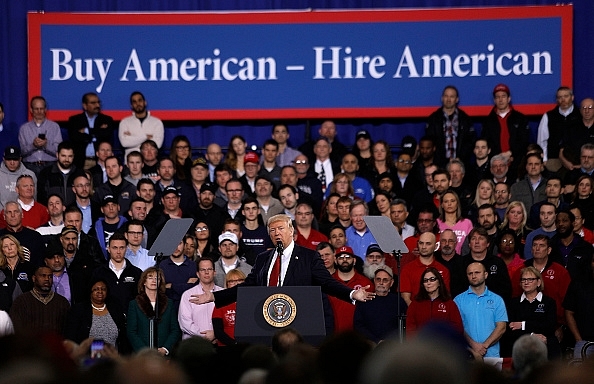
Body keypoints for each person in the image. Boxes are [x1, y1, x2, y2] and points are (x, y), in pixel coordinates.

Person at [191, 214, 374, 307]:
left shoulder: (308, 257)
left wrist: (351, 294)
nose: (276, 233)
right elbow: (247, 287)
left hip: (298, 320)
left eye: (280, 229)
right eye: (272, 230)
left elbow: (327, 283)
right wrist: (214, 296)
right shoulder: (263, 258)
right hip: (267, 318)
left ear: (291, 231)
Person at [454, 262, 508, 359]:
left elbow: (501, 327)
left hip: (492, 355)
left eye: (477, 272)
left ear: (486, 274)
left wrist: (484, 346)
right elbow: (458, 327)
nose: (473, 276)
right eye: (470, 273)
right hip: (466, 356)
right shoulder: (458, 300)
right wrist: (473, 345)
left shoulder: (497, 300)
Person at [507, 266, 559, 358]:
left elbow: (549, 327)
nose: (526, 282)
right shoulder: (513, 303)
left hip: (546, 348)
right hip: (522, 349)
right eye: (523, 280)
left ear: (538, 282)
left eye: (530, 279)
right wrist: (531, 335)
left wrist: (523, 325)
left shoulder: (549, 302)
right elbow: (511, 329)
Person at [127, 266, 181, 356]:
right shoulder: (134, 304)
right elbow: (131, 332)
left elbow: (175, 330)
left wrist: (165, 349)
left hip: (163, 356)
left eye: (157, 278)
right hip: (141, 357)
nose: (154, 280)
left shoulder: (169, 303)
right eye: (150, 277)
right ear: (144, 281)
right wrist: (144, 351)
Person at [481, 84, 530, 181]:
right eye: (497, 97)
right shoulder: (488, 121)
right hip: (496, 165)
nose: (500, 99)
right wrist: (499, 158)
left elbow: (524, 141)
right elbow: (486, 142)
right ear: (494, 100)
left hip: (517, 163)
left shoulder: (520, 118)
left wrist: (511, 154)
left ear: (509, 98)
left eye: (503, 96)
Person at [65, 277, 128, 352]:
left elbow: (123, 337)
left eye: (103, 289)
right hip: (87, 359)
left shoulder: (115, 309)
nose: (100, 291)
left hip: (112, 358)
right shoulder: (79, 310)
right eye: (96, 289)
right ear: (90, 292)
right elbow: (71, 336)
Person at [9, 265, 70, 336]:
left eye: (50, 276)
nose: (47, 279)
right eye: (43, 276)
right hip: (30, 345)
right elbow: (16, 328)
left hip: (55, 345)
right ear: (34, 278)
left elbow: (68, 330)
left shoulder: (62, 302)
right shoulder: (21, 301)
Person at [353, 266, 407, 343]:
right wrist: (376, 340)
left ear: (391, 283)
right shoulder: (365, 299)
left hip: (393, 345)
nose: (381, 283)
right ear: (374, 281)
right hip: (370, 344)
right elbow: (358, 325)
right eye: (378, 279)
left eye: (385, 280)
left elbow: (405, 325)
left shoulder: (398, 301)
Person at [91, 233, 142, 313]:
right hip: (105, 319)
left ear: (126, 249)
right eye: (115, 248)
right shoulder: (98, 273)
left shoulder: (136, 273)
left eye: (121, 248)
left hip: (130, 319)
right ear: (108, 249)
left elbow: (141, 299)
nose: (118, 251)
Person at [425, 85, 475, 167]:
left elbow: (470, 142)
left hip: (461, 164)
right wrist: (443, 160)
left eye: (452, 96)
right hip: (440, 165)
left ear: (457, 99)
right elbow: (430, 142)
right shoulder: (433, 119)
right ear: (442, 98)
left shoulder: (465, 119)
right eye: (446, 96)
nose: (448, 99)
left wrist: (460, 158)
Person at [406, 266, 463, 336]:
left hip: (444, 345)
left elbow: (457, 329)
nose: (428, 283)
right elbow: (410, 330)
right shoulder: (415, 305)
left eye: (432, 279)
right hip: (420, 345)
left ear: (439, 282)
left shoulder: (449, 304)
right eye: (425, 280)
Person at [178, 257, 223, 342]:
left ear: (214, 273)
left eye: (209, 269)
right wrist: (205, 336)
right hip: (194, 345)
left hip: (219, 343)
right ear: (198, 274)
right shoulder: (188, 295)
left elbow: (228, 320)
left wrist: (216, 334)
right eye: (203, 270)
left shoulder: (223, 293)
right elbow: (185, 323)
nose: (206, 272)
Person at [462, 227, 512, 303]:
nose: (477, 242)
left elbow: (506, 290)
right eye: (473, 239)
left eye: (481, 238)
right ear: (469, 244)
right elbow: (457, 290)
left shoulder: (498, 263)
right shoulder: (460, 263)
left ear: (488, 243)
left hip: (493, 305)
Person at [67, 92, 116, 170]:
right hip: (81, 163)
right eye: (93, 103)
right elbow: (75, 138)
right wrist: (97, 132)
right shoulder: (74, 120)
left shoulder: (107, 120)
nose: (97, 105)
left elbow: (106, 136)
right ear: (85, 106)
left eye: (98, 102)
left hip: (101, 162)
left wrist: (86, 131)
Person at [537, 86, 581, 172]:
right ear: (557, 99)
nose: (563, 99)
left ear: (572, 97)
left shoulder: (580, 115)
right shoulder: (549, 116)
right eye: (560, 97)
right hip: (554, 160)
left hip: (576, 160)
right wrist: (545, 160)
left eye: (566, 96)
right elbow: (542, 140)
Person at [400, 232, 450, 306]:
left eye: (428, 244)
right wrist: (418, 312)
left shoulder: (443, 270)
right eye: (421, 243)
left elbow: (445, 297)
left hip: (437, 313)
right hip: (415, 313)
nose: (423, 247)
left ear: (436, 246)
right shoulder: (407, 269)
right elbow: (405, 298)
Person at [19, 96, 63, 175]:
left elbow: (59, 150)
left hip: (50, 165)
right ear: (31, 110)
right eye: (36, 109)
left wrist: (46, 145)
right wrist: (33, 145)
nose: (39, 111)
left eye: (41, 108)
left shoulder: (54, 127)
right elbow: (22, 152)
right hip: (30, 167)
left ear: (45, 110)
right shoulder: (24, 128)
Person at [563, 257, 594, 359]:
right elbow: (568, 312)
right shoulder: (578, 283)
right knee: (579, 374)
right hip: (584, 341)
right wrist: (578, 339)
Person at [118, 91, 164, 158]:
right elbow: (124, 143)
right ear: (131, 105)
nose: (138, 104)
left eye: (140, 100)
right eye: (134, 102)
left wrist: (132, 139)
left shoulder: (157, 122)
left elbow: (157, 144)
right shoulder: (125, 122)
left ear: (145, 102)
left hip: (150, 163)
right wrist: (145, 137)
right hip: (131, 164)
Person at [212, 269, 246, 346]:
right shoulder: (220, 303)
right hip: (227, 347)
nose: (236, 283)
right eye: (231, 281)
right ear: (227, 284)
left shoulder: (251, 303)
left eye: (240, 280)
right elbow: (218, 332)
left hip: (248, 348)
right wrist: (235, 344)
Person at [37, 141, 77, 206]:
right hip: (52, 214)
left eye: (70, 156)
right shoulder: (46, 173)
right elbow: (41, 197)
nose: (67, 159)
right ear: (57, 155)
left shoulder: (78, 173)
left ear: (73, 157)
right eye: (63, 156)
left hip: (73, 213)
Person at [437, 190, 473, 255]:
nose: (449, 204)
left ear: (457, 203)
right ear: (442, 205)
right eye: (446, 201)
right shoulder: (436, 223)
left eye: (452, 201)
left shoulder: (467, 223)